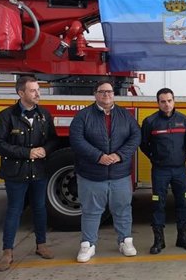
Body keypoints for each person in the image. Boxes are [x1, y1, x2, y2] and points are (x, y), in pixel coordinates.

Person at [0, 76, 58, 272]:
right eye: (33, 90)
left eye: (38, 90)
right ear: (21, 93)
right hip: (15, 173)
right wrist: (26, 153)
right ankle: (7, 252)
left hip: (38, 172)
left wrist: (46, 149)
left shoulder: (44, 115)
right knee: (14, 211)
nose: (38, 94)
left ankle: (41, 245)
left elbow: (53, 140)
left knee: (39, 209)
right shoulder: (6, 116)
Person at [70, 80, 141, 262]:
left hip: (120, 174)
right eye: (102, 92)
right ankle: (88, 245)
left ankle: (125, 241)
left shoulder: (125, 116)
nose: (107, 95)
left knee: (123, 208)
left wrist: (119, 155)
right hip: (92, 175)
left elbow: (135, 136)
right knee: (91, 211)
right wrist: (98, 156)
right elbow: (77, 140)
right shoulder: (83, 116)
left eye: (109, 92)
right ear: (95, 94)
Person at [141, 88, 186, 254]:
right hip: (160, 171)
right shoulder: (150, 122)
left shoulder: (184, 120)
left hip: (179, 170)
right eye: (163, 101)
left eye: (169, 100)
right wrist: (155, 157)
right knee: (159, 205)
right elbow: (144, 144)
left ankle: (183, 238)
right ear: (157, 103)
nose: (167, 104)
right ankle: (159, 241)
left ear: (174, 101)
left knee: (183, 203)